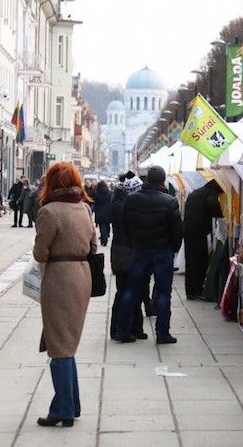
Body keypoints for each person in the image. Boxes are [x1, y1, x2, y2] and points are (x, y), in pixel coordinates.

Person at [32, 162, 96, 428]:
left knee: (60, 346)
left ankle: (63, 409)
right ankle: (72, 404)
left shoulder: (49, 212)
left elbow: (40, 253)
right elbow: (94, 245)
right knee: (67, 342)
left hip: (59, 277)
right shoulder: (84, 208)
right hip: (82, 275)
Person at [116, 166, 183, 344]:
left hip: (140, 250)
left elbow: (125, 225)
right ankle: (162, 333)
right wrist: (173, 249)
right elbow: (177, 230)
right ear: (162, 181)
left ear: (146, 180)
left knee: (132, 290)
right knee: (162, 293)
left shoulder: (131, 199)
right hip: (162, 251)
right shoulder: (169, 201)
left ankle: (122, 330)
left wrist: (134, 242)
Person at [109, 174, 148, 340]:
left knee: (135, 291)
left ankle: (135, 328)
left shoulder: (122, 203)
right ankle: (119, 329)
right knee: (125, 292)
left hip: (126, 251)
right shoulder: (122, 206)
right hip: (125, 253)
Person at [183, 179, 224, 300]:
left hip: (188, 231)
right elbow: (217, 212)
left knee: (190, 261)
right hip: (198, 232)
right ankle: (198, 290)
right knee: (199, 261)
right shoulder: (210, 194)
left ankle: (190, 291)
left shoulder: (196, 193)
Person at [93, 181, 112, 246]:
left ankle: (103, 240)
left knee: (102, 226)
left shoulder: (96, 193)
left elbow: (95, 203)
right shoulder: (109, 193)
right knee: (107, 225)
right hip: (108, 211)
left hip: (99, 211)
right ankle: (106, 236)